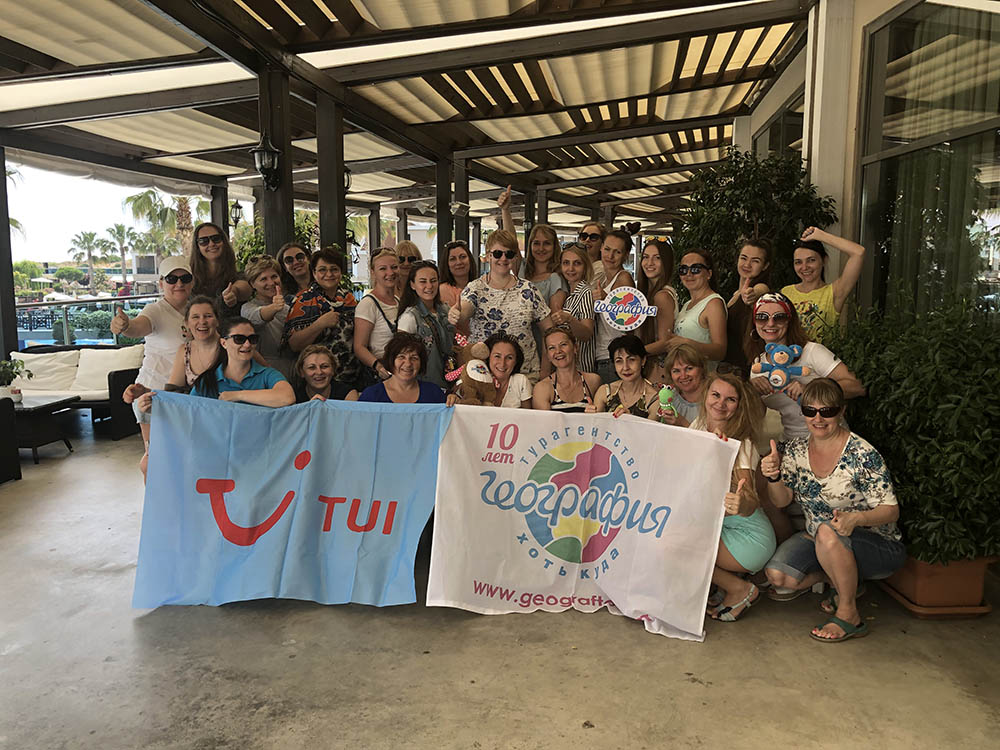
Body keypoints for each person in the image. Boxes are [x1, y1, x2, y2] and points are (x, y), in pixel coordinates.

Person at [762, 378, 905, 642]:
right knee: (778, 577)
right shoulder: (795, 450)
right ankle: (843, 581)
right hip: (819, 538)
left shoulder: (862, 453)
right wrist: (773, 477)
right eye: (810, 410)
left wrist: (857, 518)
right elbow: (781, 501)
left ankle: (849, 614)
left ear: (841, 411)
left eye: (827, 411)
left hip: (877, 545)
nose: (818, 418)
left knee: (828, 532)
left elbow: (891, 510)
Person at [692, 372, 776, 622]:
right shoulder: (698, 425)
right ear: (705, 396)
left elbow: (749, 499)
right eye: (716, 395)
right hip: (720, 528)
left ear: (739, 406)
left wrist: (741, 504)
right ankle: (722, 584)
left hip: (747, 538)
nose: (720, 403)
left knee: (678, 544)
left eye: (730, 399)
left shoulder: (741, 444)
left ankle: (739, 588)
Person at [112, 256, 193, 479]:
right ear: (161, 283)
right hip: (152, 396)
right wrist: (125, 326)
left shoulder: (195, 310)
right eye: (171, 279)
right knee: (156, 459)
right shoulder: (156, 310)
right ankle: (155, 502)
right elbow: (138, 327)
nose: (179, 284)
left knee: (183, 460)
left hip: (184, 397)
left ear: (192, 282)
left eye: (185, 278)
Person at [747, 293, 864, 441]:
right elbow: (756, 417)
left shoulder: (811, 351)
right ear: (754, 322)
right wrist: (751, 391)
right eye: (762, 317)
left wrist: (810, 390)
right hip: (792, 442)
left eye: (779, 317)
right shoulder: (759, 364)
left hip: (830, 439)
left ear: (790, 321)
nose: (770, 323)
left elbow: (857, 386)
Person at [450, 230, 552, 381]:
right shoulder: (475, 288)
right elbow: (466, 308)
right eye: (497, 253)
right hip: (484, 377)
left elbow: (549, 331)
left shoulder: (529, 289)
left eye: (509, 254)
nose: (503, 259)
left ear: (515, 257)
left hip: (525, 375)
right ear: (488, 255)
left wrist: (545, 372)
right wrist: (458, 313)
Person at [137, 317, 294, 411]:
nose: (247, 344)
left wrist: (236, 395)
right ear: (224, 343)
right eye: (239, 339)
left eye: (252, 339)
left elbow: (287, 397)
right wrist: (156, 406)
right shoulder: (207, 381)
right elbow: (188, 411)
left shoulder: (267, 374)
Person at [284, 246, 359, 389]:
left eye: (334, 269)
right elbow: (294, 345)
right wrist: (319, 324)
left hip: (351, 378)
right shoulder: (303, 300)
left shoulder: (348, 298)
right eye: (322, 270)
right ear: (314, 273)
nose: (329, 274)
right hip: (317, 380)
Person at [781, 227, 866, 342]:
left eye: (811, 260)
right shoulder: (785, 292)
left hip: (820, 353)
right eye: (798, 262)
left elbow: (858, 252)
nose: (804, 267)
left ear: (824, 260)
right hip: (786, 353)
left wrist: (821, 236)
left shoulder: (834, 293)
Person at [397, 260, 455, 389]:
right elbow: (401, 357)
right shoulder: (409, 317)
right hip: (423, 386)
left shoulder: (446, 310)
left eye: (433, 281)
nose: (429, 286)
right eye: (423, 281)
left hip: (449, 382)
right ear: (412, 285)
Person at [592, 230, 636, 384]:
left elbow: (630, 321)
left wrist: (607, 300)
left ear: (625, 255)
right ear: (601, 248)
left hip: (614, 358)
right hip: (604, 356)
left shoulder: (624, 278)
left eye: (617, 252)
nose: (610, 256)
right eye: (607, 249)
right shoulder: (604, 279)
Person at [672, 249, 727, 369]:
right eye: (683, 270)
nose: (689, 274)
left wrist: (687, 343)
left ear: (709, 274)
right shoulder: (687, 304)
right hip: (684, 376)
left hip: (704, 377)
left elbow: (720, 351)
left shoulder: (713, 303)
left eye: (696, 269)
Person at [241, 255, 293, 378]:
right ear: (252, 284)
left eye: (274, 276)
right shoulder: (247, 308)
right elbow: (258, 317)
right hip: (263, 373)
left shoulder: (288, 307)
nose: (271, 283)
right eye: (263, 279)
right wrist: (274, 307)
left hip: (294, 370)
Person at [635, 238, 679, 384]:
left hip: (659, 371)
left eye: (657, 258)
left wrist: (634, 352)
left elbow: (665, 342)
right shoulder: (647, 294)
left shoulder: (662, 296)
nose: (650, 263)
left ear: (666, 262)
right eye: (646, 257)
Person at [725, 238, 771, 374]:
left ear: (765, 266)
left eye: (755, 261)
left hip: (747, 369)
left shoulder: (761, 287)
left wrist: (752, 294)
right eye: (744, 258)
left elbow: (759, 292)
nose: (747, 264)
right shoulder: (735, 294)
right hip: (728, 367)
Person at [354, 249, 401, 384]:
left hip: (402, 370)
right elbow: (359, 347)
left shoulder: (398, 301)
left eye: (394, 267)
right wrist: (378, 366)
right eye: (383, 269)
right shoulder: (368, 304)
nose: (390, 273)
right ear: (373, 272)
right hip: (383, 375)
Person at [358, 332, 446, 404]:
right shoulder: (371, 396)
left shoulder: (434, 393)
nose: (408, 364)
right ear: (391, 360)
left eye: (414, 358)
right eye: (401, 357)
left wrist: (452, 402)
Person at [451, 333, 533, 408]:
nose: (502, 363)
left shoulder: (521, 381)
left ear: (516, 362)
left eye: (509, 358)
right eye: (497, 356)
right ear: (487, 357)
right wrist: (454, 399)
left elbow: (527, 416)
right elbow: (460, 397)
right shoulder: (476, 378)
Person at [532, 326, 602, 412]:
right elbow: (543, 421)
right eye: (552, 348)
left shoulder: (593, 381)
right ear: (548, 356)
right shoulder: (542, 388)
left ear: (575, 347)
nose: (558, 351)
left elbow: (601, 417)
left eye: (563, 345)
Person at [550, 242, 595, 373]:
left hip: (581, 369)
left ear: (585, 266)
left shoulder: (586, 292)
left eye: (577, 263)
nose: (571, 268)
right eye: (566, 263)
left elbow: (587, 334)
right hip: (567, 369)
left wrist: (569, 319)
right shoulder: (569, 293)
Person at [189, 222, 251, 318]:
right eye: (204, 241)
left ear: (223, 241)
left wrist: (233, 293)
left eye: (216, 239)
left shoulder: (237, 276)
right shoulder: (190, 279)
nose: (211, 244)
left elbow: (244, 288)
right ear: (197, 246)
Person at [591, 334, 659, 418]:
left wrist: (629, 420)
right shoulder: (605, 392)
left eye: (631, 360)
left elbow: (652, 426)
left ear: (643, 361)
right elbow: (595, 424)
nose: (625, 367)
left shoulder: (654, 399)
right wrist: (589, 416)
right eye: (619, 361)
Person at [165, 296, 222, 391]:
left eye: (208, 316)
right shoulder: (185, 350)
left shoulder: (231, 345)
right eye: (195, 317)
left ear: (217, 321)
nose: (202, 322)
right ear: (187, 323)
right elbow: (173, 390)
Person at [654, 343, 707, 427]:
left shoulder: (715, 400)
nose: (683, 376)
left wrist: (682, 422)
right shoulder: (668, 397)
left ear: (702, 368)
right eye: (676, 371)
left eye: (689, 368)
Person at [293, 345, 359, 403]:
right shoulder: (293, 397)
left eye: (324, 366)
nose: (319, 372)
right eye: (312, 367)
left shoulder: (348, 394)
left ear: (333, 369)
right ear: (302, 372)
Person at [438, 239, 478, 335]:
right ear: (447, 264)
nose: (459, 262)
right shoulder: (442, 290)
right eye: (453, 259)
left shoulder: (480, 287)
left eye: (462, 257)